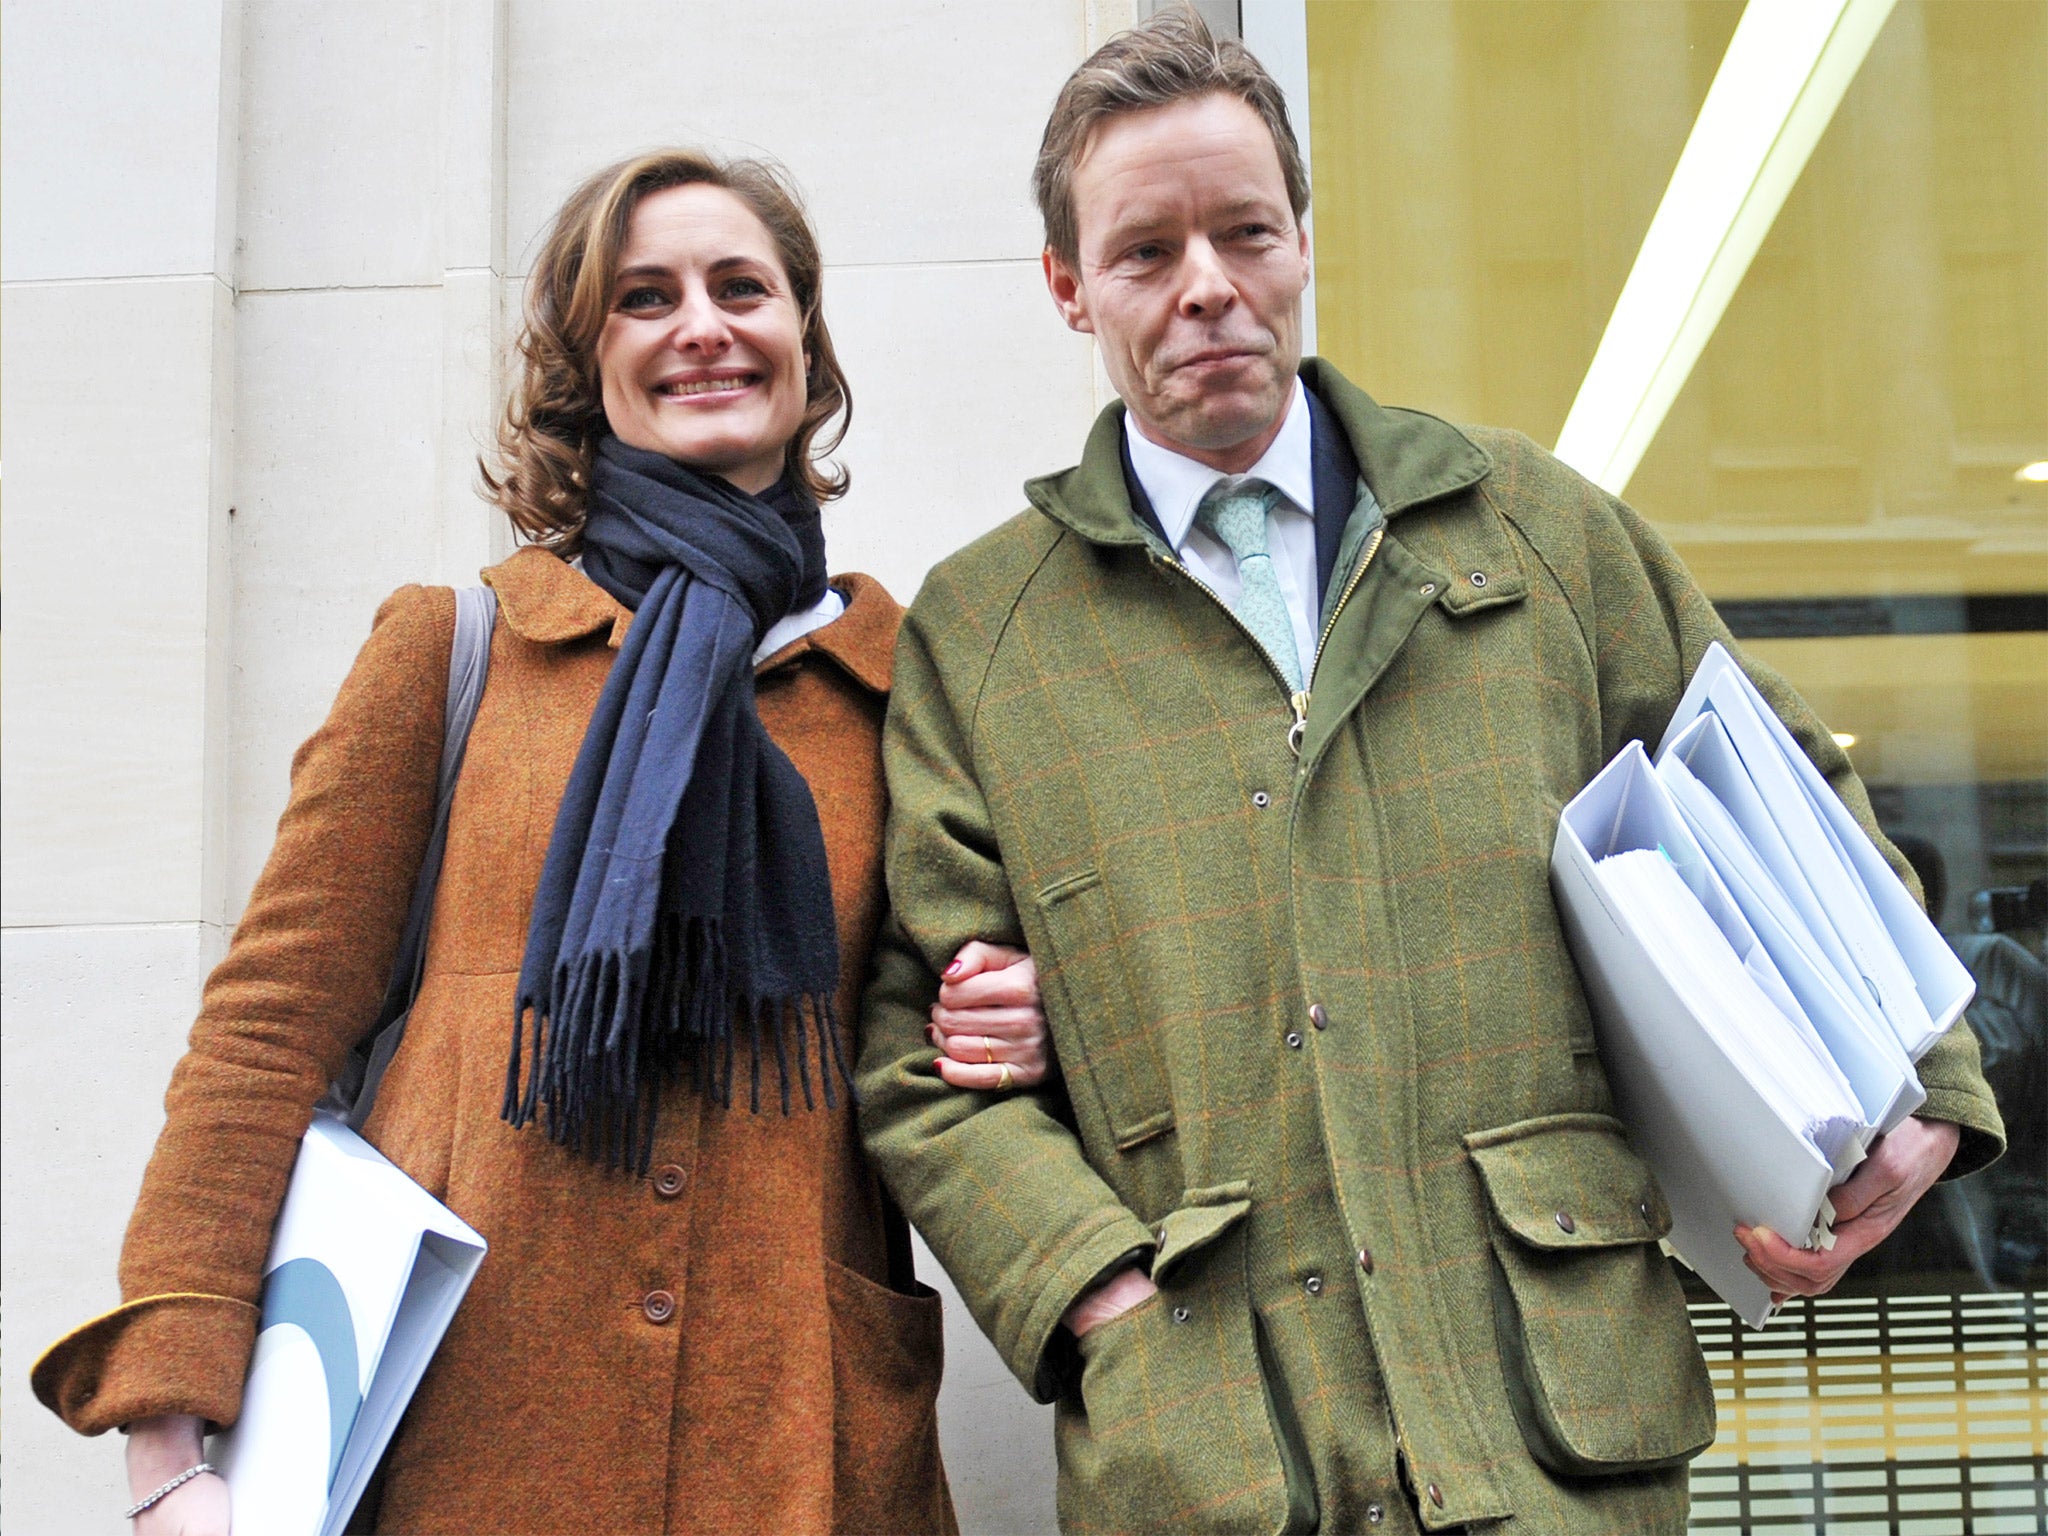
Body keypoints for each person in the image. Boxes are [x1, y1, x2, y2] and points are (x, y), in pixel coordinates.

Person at [855, 12, 2006, 1534]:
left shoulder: (1532, 528)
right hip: (1218, 1450)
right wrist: (1096, 1294)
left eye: (1245, 231)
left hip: (1555, 1431)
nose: (1208, 286)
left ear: (1302, 242)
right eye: (1145, 253)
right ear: (1069, 288)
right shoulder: (988, 636)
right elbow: (917, 1057)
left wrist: (1920, 1085)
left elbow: (1788, 809)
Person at [33, 149, 1051, 1536]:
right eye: (645, 297)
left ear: (805, 347)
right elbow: (264, 1039)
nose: (702, 325)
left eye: (742, 287)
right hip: (471, 1445)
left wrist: (1011, 1024)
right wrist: (169, 1445)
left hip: (798, 1453)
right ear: (586, 366)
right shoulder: (456, 655)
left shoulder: (910, 690)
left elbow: (938, 1052)